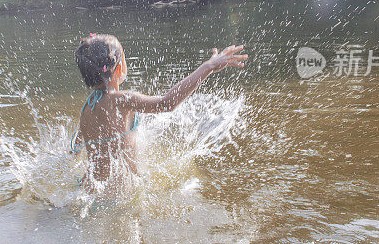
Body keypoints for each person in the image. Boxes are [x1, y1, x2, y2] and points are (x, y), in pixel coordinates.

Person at [71, 33, 247, 193]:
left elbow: (77, 144)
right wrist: (208, 67)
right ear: (119, 68)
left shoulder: (88, 106)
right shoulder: (122, 100)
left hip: (89, 188)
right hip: (118, 192)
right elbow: (167, 103)